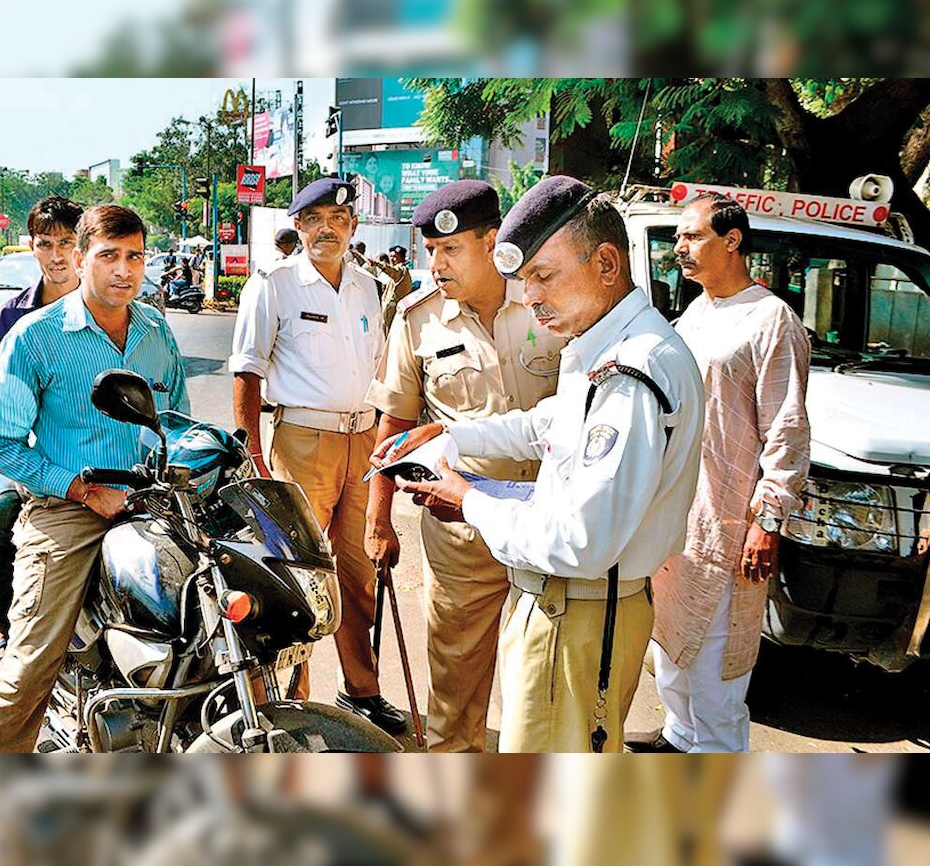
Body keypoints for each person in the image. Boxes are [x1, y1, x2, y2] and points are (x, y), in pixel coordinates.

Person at [373, 176, 705, 752]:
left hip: (575, 604)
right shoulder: (600, 345)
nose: (530, 299)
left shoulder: (630, 372)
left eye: (543, 277)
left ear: (606, 263)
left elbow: (579, 540)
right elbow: (545, 423)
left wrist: (468, 499)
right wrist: (451, 435)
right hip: (561, 594)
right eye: (525, 281)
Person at [0, 204, 190, 752]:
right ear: (80, 256)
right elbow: (0, 446)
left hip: (151, 503)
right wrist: (82, 489)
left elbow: (180, 421)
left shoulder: (156, 330)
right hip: (66, 509)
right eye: (109, 256)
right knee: (32, 658)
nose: (124, 270)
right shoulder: (34, 336)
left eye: (135, 256)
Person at [364, 179, 564, 751]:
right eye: (429, 251)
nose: (436, 263)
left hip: (551, 524)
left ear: (492, 242)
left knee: (546, 681)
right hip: (462, 529)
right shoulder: (417, 318)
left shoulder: (546, 300)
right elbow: (395, 422)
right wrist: (378, 519)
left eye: (449, 250)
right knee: (454, 684)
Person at [625, 193, 811, 754]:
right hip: (682, 512)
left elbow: (787, 428)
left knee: (716, 671)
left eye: (692, 236)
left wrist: (767, 521)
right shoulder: (696, 312)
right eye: (679, 238)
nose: (680, 248)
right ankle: (680, 740)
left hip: (731, 522)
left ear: (732, 241)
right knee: (671, 650)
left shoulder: (771, 319)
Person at [229, 176, 406, 736]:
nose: (327, 229)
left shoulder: (367, 287)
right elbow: (247, 369)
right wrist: (252, 454)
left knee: (358, 574)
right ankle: (289, 698)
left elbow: (379, 368)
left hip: (363, 441)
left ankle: (361, 689)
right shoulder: (273, 285)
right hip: (301, 442)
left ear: (353, 227)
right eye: (315, 220)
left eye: (339, 219)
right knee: (297, 577)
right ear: (298, 227)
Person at [0, 195, 85, 667]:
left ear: (83, 247)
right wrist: (12, 419)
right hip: (33, 457)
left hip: (103, 453)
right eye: (45, 244)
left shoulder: (113, 308)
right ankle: (0, 621)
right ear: (31, 246)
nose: (56, 256)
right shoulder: (8, 318)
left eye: (67, 243)